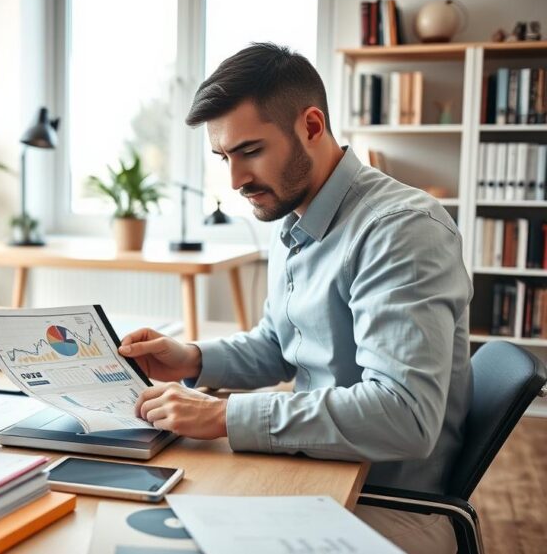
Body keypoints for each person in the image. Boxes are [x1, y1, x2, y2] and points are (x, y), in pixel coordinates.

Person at [124, 43, 471, 553]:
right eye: (224, 157)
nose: (236, 180)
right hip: (312, 473)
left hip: (385, 504)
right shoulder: (292, 215)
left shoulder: (401, 231)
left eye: (250, 151)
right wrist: (191, 359)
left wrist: (222, 417)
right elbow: (280, 343)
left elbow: (403, 416)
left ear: (311, 126)